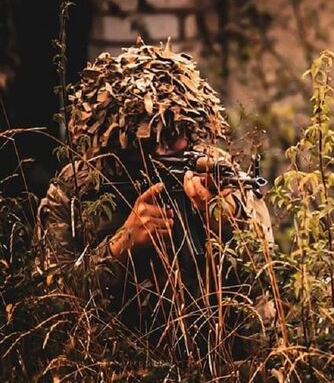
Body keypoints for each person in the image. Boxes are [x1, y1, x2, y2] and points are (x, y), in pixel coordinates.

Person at [34, 42, 274, 353]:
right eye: (145, 140)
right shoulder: (77, 188)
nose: (161, 152)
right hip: (115, 357)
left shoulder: (215, 172)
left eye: (172, 136)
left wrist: (223, 219)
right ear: (115, 139)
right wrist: (121, 245)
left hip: (218, 352)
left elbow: (265, 276)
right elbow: (50, 301)